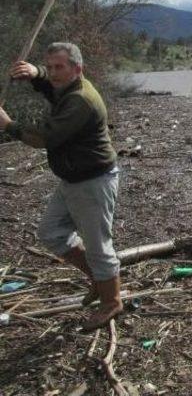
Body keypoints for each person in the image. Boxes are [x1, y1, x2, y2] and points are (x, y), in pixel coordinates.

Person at [0, 42, 122, 330]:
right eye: (50, 66)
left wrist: (7, 125)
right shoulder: (67, 88)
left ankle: (112, 301)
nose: (53, 73)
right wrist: (35, 73)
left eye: (59, 67)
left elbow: (45, 138)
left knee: (98, 246)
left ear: (77, 69)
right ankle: (99, 279)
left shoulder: (80, 99)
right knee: (51, 233)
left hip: (93, 181)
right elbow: (52, 87)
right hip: (72, 179)